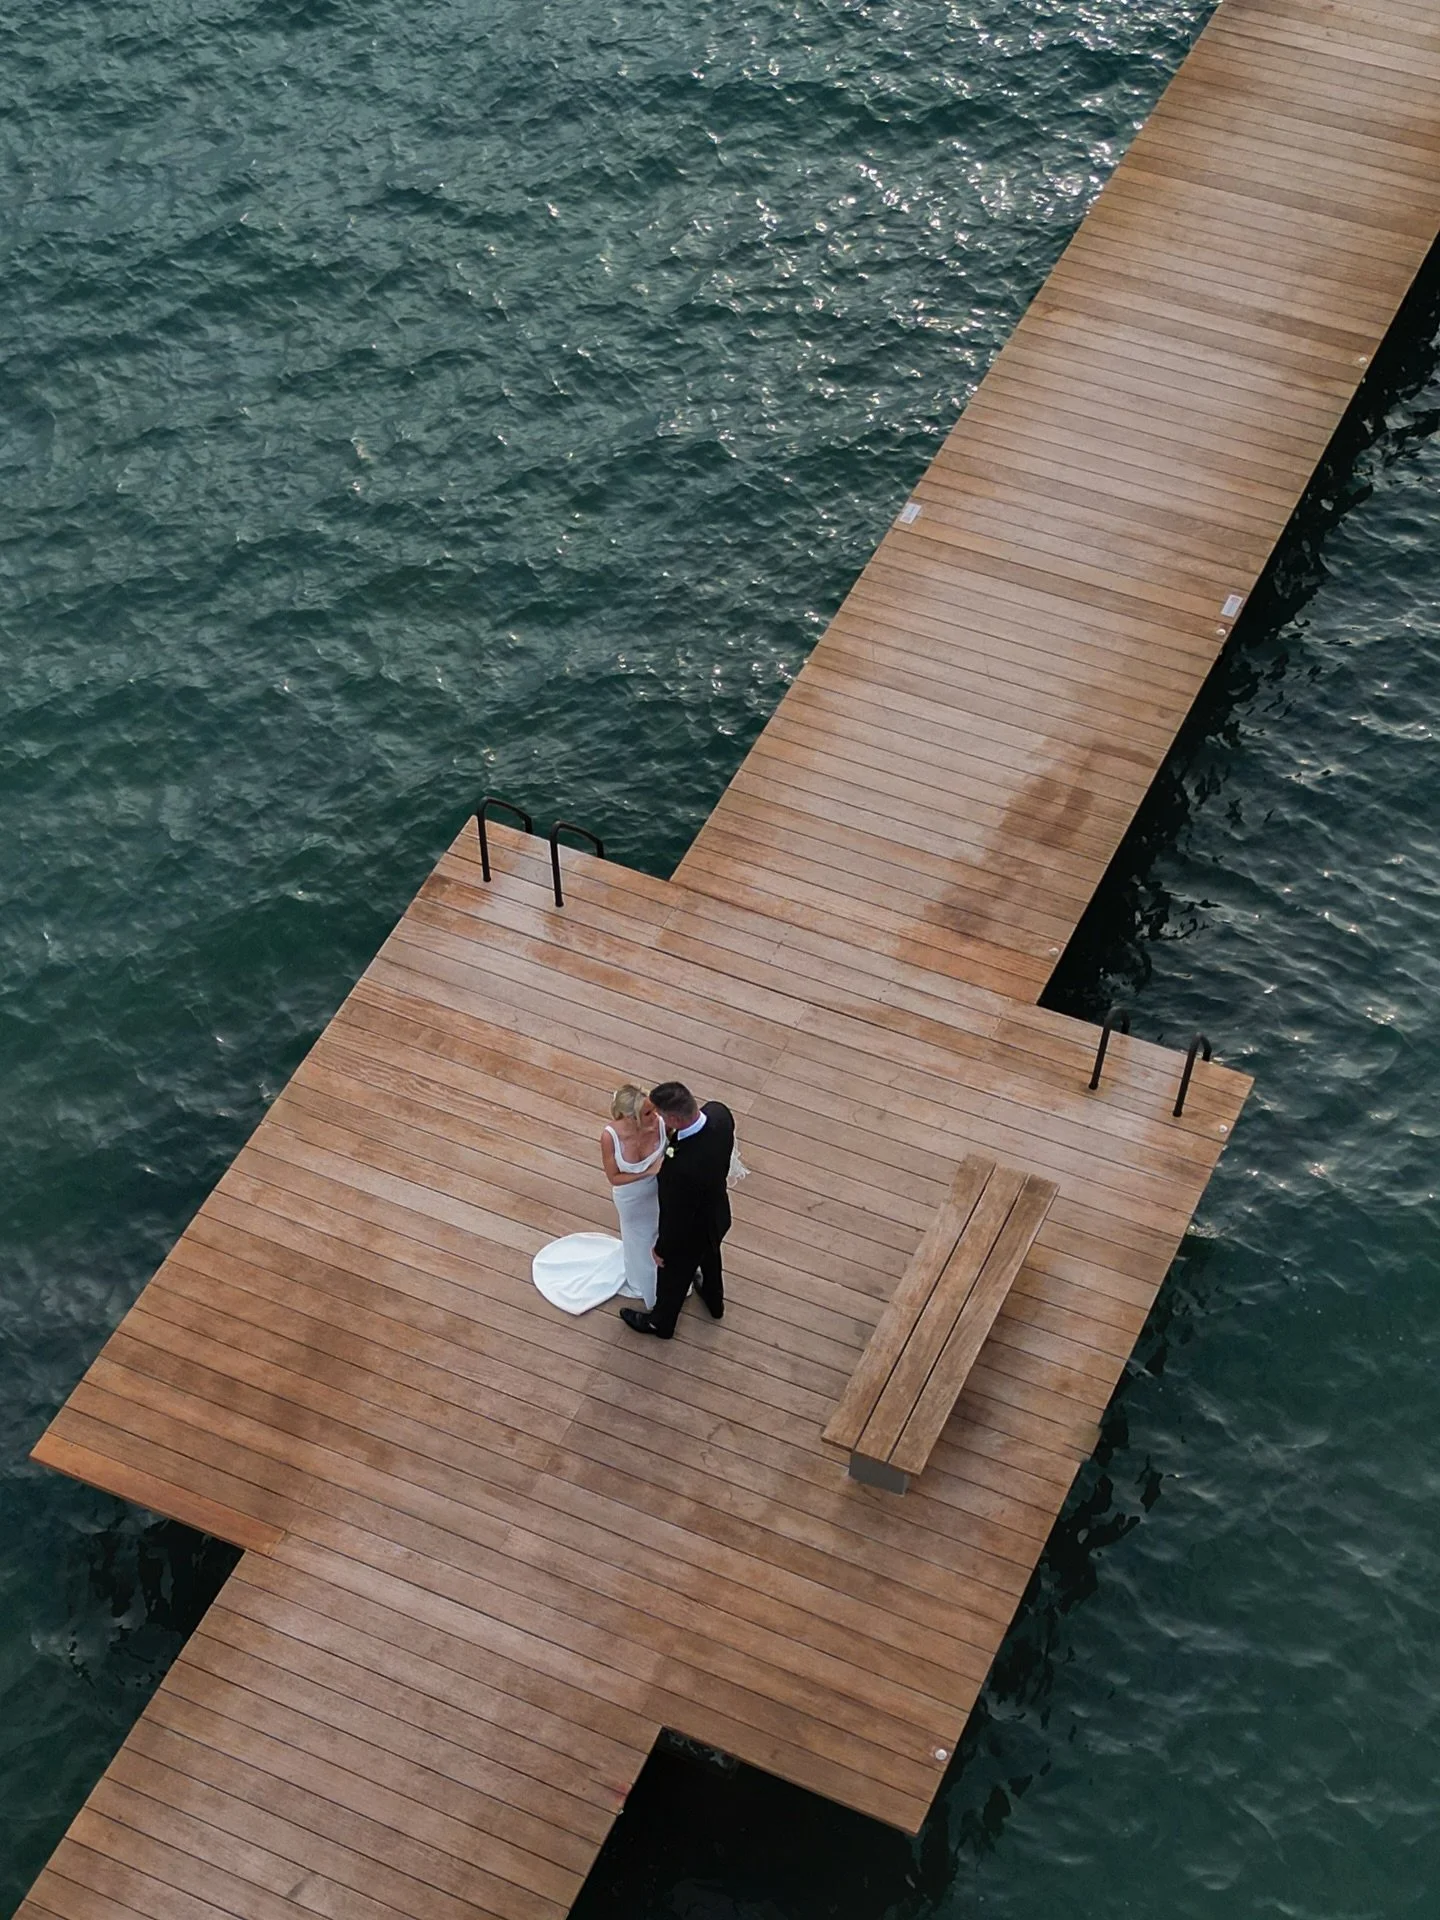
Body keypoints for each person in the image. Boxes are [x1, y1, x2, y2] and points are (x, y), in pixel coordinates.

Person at [531, 1085, 664, 1313]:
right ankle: (646, 1288)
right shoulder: (610, 1137)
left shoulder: (661, 1125)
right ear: (630, 1118)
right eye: (648, 1113)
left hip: (660, 1194)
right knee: (640, 1241)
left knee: (662, 1234)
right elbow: (614, 1177)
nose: (656, 1116)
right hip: (631, 1200)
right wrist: (649, 1172)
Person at [621, 1081, 735, 1339]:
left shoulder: (679, 1168)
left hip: (688, 1236)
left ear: (673, 1118)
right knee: (710, 1254)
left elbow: (675, 1218)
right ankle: (714, 1301)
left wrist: (662, 1249)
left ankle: (660, 1323)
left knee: (672, 1279)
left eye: (660, 1114)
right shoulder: (720, 1114)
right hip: (717, 1215)